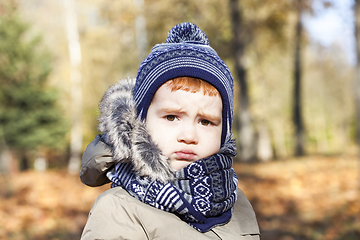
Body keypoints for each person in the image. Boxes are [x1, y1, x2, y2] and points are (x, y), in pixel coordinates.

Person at [80, 22, 260, 240]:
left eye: (205, 122)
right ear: (140, 124)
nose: (189, 136)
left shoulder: (237, 203)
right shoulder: (119, 209)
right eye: (172, 117)